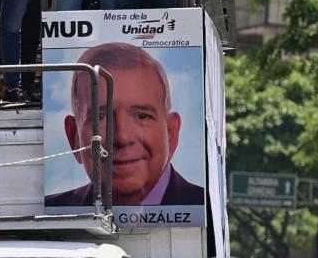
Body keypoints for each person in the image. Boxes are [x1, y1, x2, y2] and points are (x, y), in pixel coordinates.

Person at [46, 42, 204, 207]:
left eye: (142, 116)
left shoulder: (204, 206)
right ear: (74, 138)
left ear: (171, 133)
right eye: (101, 116)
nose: (122, 137)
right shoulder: (54, 209)